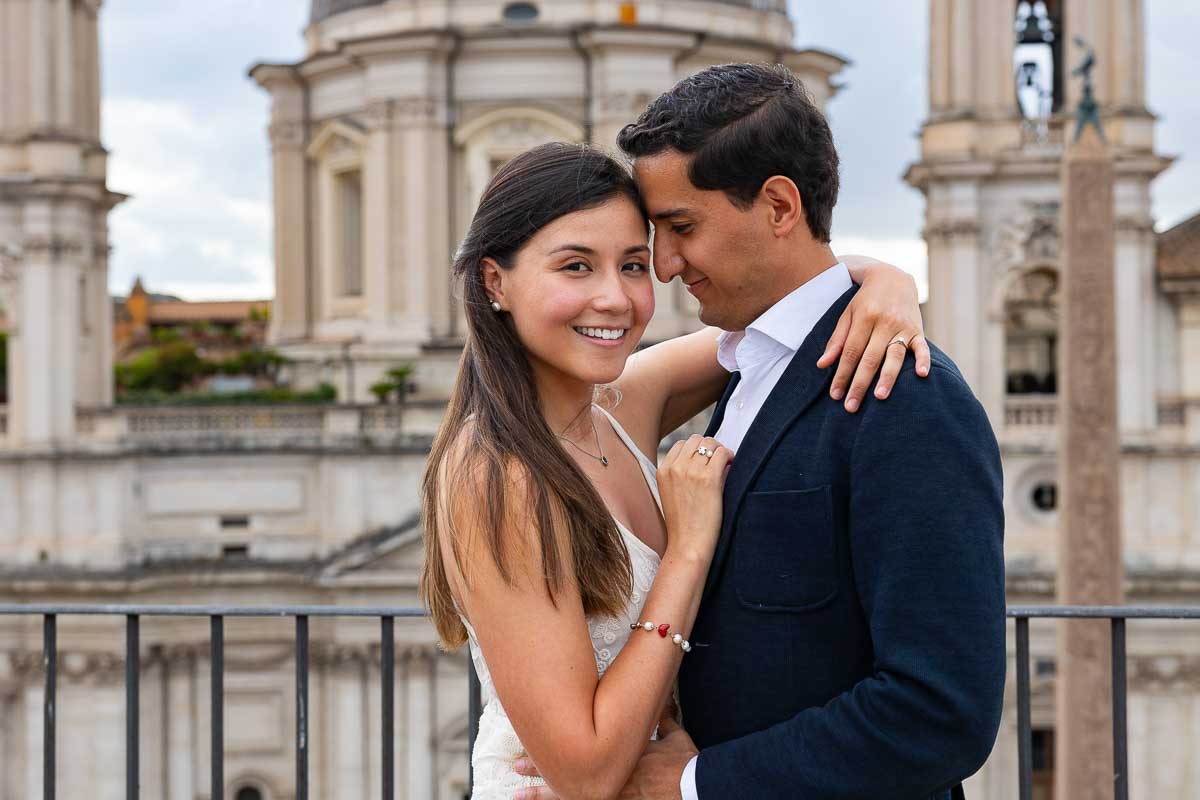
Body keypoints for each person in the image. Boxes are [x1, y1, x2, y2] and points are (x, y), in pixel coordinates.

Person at [513, 64, 1007, 800]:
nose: (668, 265)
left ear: (779, 205)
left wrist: (695, 782)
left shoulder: (906, 399)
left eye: (681, 228)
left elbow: (940, 712)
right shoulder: (741, 365)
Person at [418, 140, 929, 799]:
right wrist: (689, 548)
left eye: (633, 265)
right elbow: (586, 770)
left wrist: (890, 281)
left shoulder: (618, 406)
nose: (615, 299)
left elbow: (798, 309)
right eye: (575, 266)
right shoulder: (497, 472)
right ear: (496, 281)